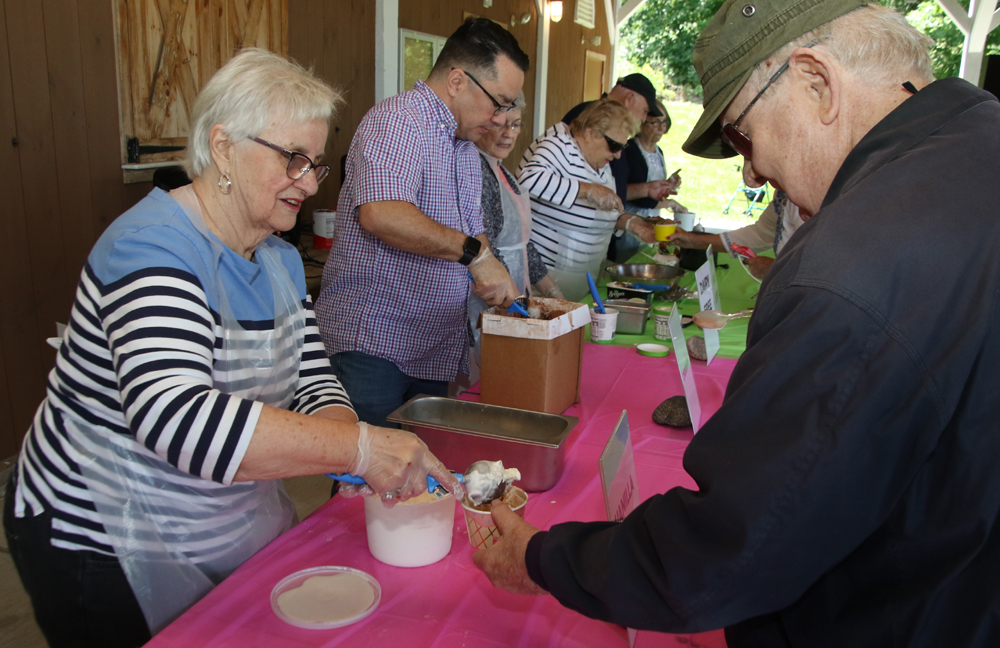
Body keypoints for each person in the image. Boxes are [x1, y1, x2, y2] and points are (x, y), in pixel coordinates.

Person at [474, 1, 1000, 646]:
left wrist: (544, 560)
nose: (751, 169)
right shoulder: (979, 135)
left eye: (743, 135)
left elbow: (722, 555)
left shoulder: (851, 266)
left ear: (816, 83)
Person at [3, 49, 462, 648]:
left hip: (215, 517)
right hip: (107, 531)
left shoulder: (277, 257)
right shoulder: (151, 248)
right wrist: (362, 447)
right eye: (292, 158)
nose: (307, 181)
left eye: (317, 165)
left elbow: (312, 378)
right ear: (223, 147)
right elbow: (178, 417)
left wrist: (347, 445)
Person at [315, 18, 528, 429]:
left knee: (422, 477)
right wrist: (474, 254)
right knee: (369, 479)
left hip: (433, 344)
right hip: (374, 346)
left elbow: (473, 230)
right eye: (498, 102)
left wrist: (498, 281)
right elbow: (382, 213)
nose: (502, 119)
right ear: (456, 81)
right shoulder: (397, 122)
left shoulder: (464, 145)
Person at [467, 91, 563, 383]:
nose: (508, 134)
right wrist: (517, 309)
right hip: (489, 302)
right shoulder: (476, 169)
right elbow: (487, 250)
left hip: (514, 296)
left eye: (516, 125)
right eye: (500, 125)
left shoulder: (504, 171)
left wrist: (555, 295)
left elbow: (525, 245)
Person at [516, 98, 653, 301]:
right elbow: (526, 181)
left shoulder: (598, 158)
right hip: (542, 285)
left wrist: (629, 222)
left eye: (622, 147)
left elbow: (597, 211)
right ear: (590, 133)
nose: (617, 155)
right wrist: (586, 190)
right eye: (614, 145)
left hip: (580, 282)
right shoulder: (558, 144)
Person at [562, 74, 679, 262]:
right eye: (645, 111)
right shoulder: (590, 115)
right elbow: (541, 180)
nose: (644, 118)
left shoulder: (616, 131)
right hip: (570, 248)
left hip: (597, 241)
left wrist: (646, 190)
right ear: (630, 99)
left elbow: (612, 188)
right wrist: (590, 191)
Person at [667, 189, 805, 279]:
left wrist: (774, 269)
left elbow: (821, 266)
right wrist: (692, 240)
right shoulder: (784, 191)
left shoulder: (808, 195)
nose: (749, 179)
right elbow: (760, 233)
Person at [623, 99, 690, 218]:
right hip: (630, 219)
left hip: (651, 217)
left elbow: (653, 189)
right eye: (656, 123)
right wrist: (670, 204)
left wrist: (668, 184)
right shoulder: (630, 151)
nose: (662, 128)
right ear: (641, 123)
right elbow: (636, 197)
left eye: (664, 122)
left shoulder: (658, 151)